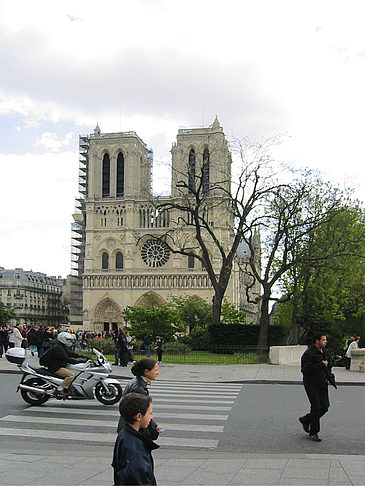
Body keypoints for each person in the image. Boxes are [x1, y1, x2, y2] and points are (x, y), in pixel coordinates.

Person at [112, 393, 159, 485]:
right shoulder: (134, 447)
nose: (151, 417)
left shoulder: (124, 434)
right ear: (138, 417)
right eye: (150, 413)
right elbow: (138, 479)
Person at [299, 333, 336, 442]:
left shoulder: (325, 352)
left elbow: (329, 366)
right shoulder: (309, 354)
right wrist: (320, 365)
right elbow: (306, 370)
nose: (325, 342)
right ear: (317, 341)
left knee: (324, 406)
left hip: (322, 383)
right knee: (316, 407)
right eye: (323, 340)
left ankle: (306, 419)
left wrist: (330, 376)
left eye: (325, 340)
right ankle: (313, 432)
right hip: (311, 384)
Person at [117, 358, 160, 440]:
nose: (157, 373)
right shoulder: (138, 388)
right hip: (133, 431)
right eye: (155, 370)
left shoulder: (136, 382)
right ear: (146, 372)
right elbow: (140, 414)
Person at [45, 331, 87, 396]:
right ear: (63, 339)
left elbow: (69, 353)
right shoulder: (58, 348)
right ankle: (60, 389)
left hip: (59, 365)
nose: (69, 341)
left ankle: (68, 387)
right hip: (56, 367)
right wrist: (79, 361)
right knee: (71, 375)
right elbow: (66, 358)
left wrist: (80, 356)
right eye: (68, 340)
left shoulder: (61, 346)